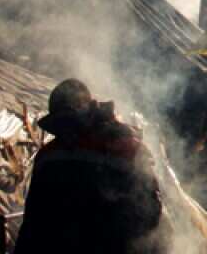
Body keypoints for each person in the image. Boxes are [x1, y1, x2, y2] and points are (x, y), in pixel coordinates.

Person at [15, 78, 170, 254]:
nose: (67, 132)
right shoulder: (49, 156)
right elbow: (35, 218)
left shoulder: (125, 149)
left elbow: (148, 212)